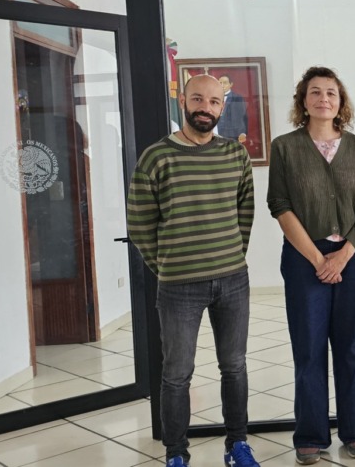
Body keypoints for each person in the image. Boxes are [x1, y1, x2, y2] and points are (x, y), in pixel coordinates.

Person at [127, 75, 259, 467]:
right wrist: (168, 264)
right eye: (198, 99)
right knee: (177, 373)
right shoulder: (157, 157)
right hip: (179, 286)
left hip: (233, 280)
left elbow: (245, 212)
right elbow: (140, 223)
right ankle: (176, 454)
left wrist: (230, 255)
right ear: (182, 101)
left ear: (222, 107)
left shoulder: (234, 155)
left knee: (234, 367)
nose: (206, 107)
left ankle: (237, 445)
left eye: (214, 101)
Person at [267, 66, 355, 465]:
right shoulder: (285, 148)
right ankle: (310, 435)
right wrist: (319, 260)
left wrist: (344, 255)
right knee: (309, 348)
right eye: (315, 92)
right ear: (303, 100)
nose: (323, 99)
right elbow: (280, 206)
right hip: (304, 259)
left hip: (352, 256)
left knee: (350, 347)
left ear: (340, 101)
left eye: (331, 92)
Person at [217, 74, 248, 143]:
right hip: (215, 134)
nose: (222, 85)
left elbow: (241, 117)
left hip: (232, 134)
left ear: (231, 84)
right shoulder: (214, 97)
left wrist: (242, 133)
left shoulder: (237, 98)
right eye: (220, 83)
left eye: (225, 83)